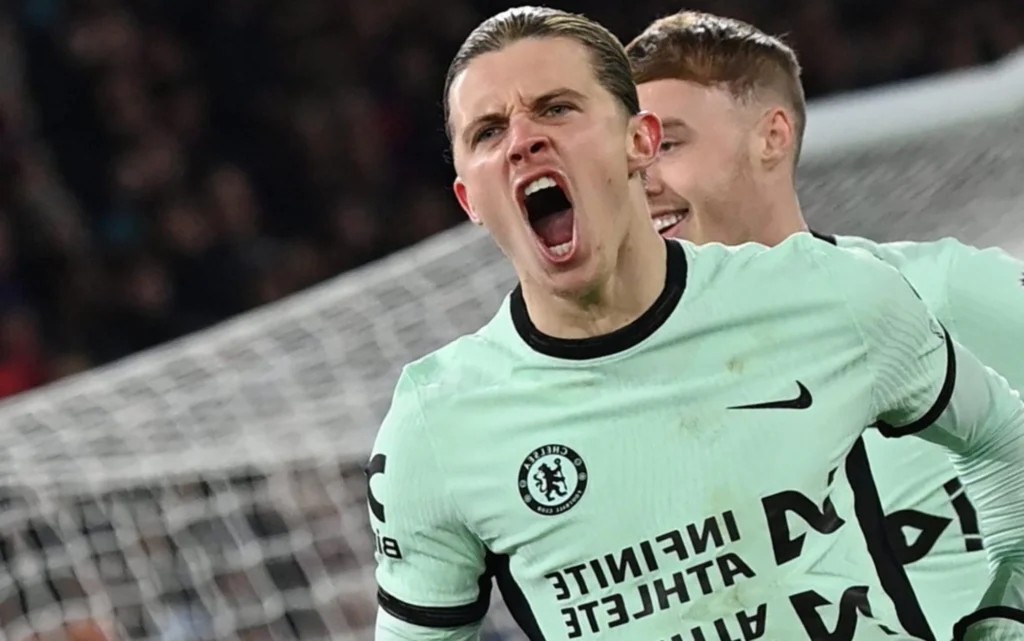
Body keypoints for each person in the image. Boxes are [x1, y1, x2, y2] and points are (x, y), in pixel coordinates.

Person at [368, 6, 1024, 640]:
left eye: (557, 108)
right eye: (487, 131)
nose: (523, 139)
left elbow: (1005, 439)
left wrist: (1006, 615)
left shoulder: (842, 294)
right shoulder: (436, 423)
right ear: (468, 199)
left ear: (639, 139)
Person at [626, 10, 1024, 639]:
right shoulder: (646, 402)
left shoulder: (947, 291)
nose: (639, 184)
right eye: (629, 159)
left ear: (771, 137)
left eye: (668, 144)